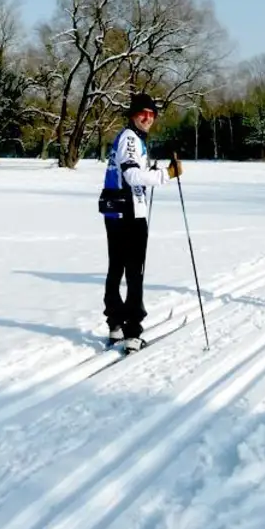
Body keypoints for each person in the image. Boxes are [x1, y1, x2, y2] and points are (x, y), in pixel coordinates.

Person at [98, 92, 181, 352]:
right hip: (129, 213)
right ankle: (132, 331)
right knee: (134, 272)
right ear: (133, 115)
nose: (147, 117)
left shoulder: (129, 138)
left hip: (116, 211)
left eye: (151, 114)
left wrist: (152, 172)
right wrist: (166, 174)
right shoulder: (131, 138)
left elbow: (131, 172)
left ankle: (115, 325)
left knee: (117, 268)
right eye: (142, 113)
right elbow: (133, 175)